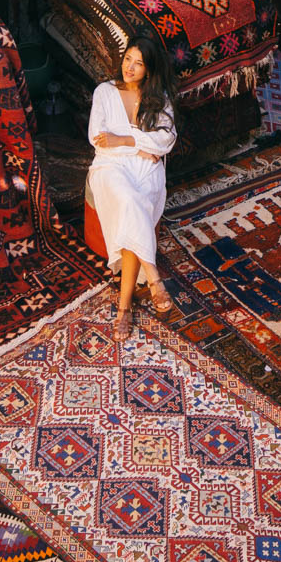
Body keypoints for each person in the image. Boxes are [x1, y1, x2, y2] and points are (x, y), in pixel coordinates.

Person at [86, 34, 178, 339]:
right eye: (128, 59)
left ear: (148, 71)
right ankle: (152, 277)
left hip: (146, 169)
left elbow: (166, 141)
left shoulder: (159, 100)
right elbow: (98, 138)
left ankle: (124, 308)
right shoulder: (105, 92)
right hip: (110, 167)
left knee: (133, 206)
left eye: (138, 64)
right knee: (128, 200)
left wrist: (126, 140)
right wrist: (140, 145)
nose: (130, 67)